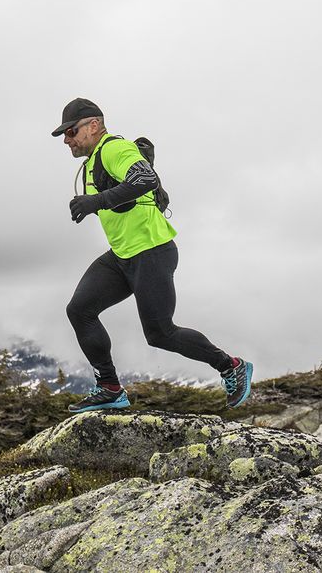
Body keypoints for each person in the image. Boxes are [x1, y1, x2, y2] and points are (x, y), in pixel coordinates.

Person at [53, 97, 254, 414]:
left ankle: (231, 366)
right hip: (123, 256)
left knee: (160, 333)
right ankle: (109, 388)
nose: (67, 140)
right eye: (64, 135)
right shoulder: (92, 161)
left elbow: (145, 179)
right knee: (79, 310)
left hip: (152, 252)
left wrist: (96, 202)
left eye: (71, 131)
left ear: (94, 125)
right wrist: (93, 204)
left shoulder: (114, 149)